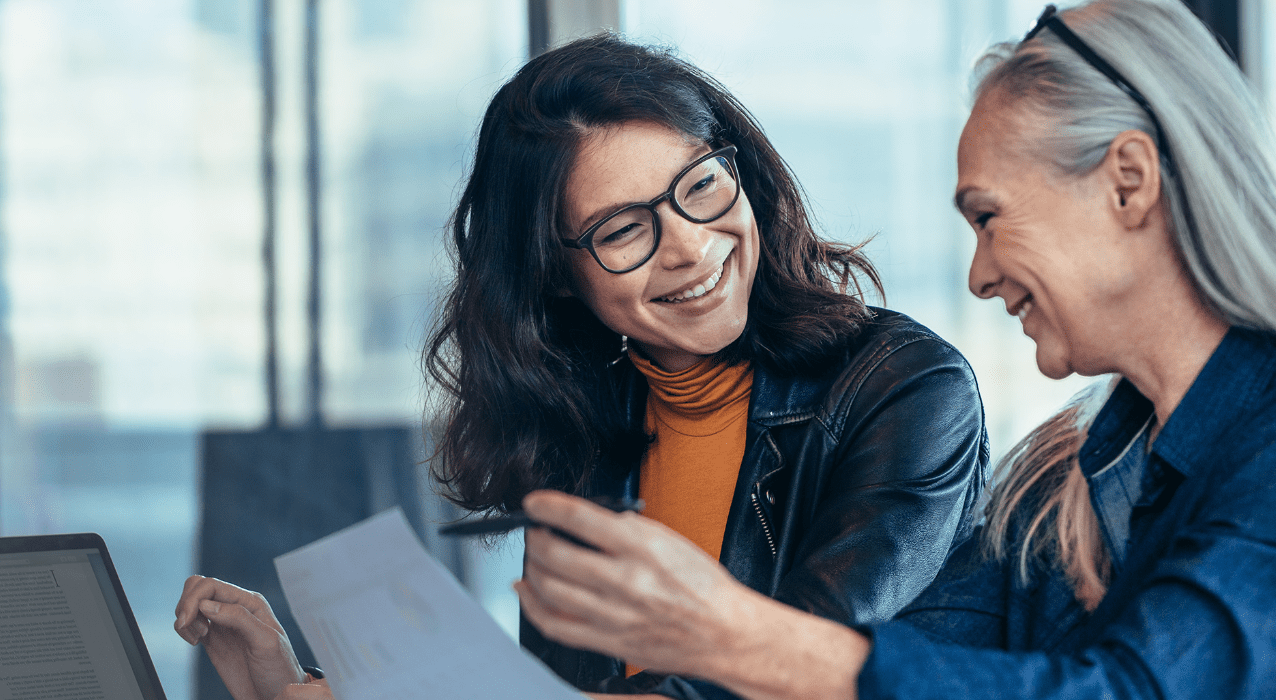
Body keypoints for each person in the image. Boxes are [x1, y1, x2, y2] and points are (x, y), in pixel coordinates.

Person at [515, 1, 1276, 698]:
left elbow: (1126, 691)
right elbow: (931, 661)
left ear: (1128, 181)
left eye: (988, 217)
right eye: (622, 229)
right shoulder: (1062, 488)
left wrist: (728, 633)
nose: (978, 276)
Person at [175, 35, 991, 699]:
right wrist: (291, 688)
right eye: (622, 230)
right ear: (557, 276)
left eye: (700, 185)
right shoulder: (582, 425)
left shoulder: (906, 387)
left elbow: (793, 669)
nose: (690, 247)